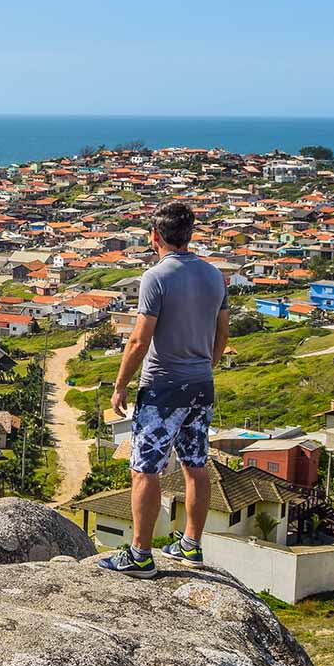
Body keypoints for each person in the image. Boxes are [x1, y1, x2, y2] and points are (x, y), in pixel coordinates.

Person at [97, 201, 230, 578]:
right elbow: (223, 330)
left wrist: (120, 385)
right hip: (201, 385)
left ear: (154, 236)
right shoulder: (213, 275)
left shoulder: (157, 277)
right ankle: (191, 544)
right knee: (195, 465)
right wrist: (208, 364)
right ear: (189, 235)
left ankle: (140, 554)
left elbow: (140, 339)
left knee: (144, 470)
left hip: (163, 388)